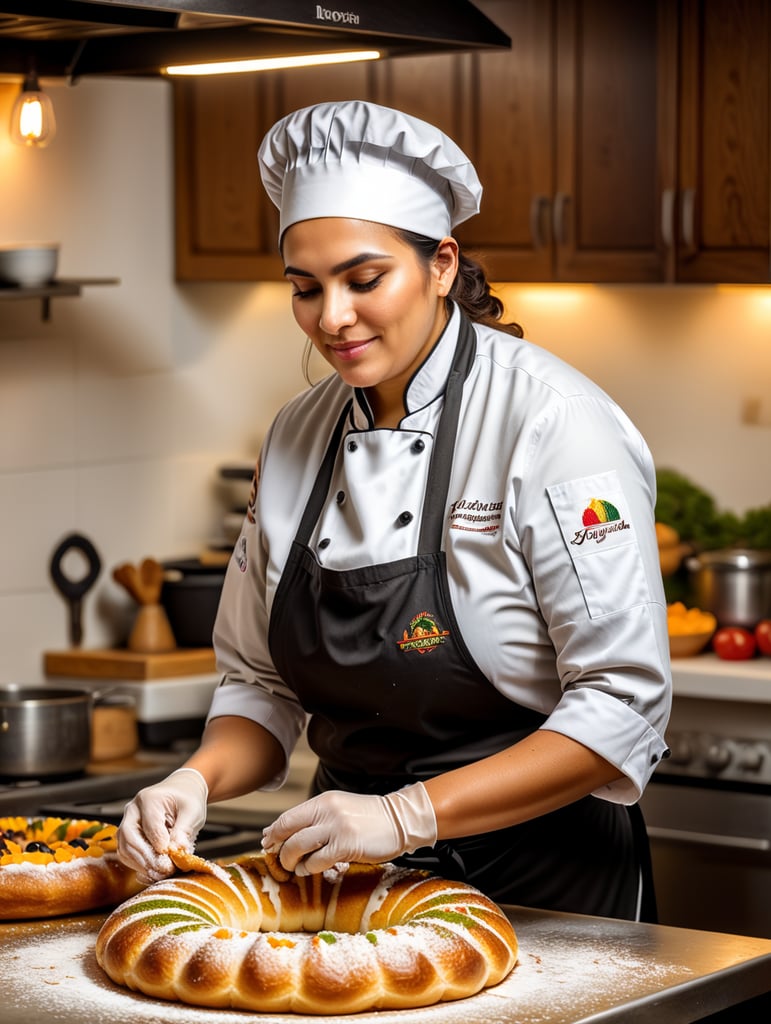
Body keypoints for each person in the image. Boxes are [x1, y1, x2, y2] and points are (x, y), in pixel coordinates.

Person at [118, 100, 671, 921]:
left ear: (441, 264)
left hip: (551, 895)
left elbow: (621, 707)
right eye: (304, 288)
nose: (331, 318)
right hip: (355, 891)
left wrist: (403, 816)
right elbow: (261, 686)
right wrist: (193, 780)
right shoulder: (295, 434)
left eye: (363, 279)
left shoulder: (554, 423)